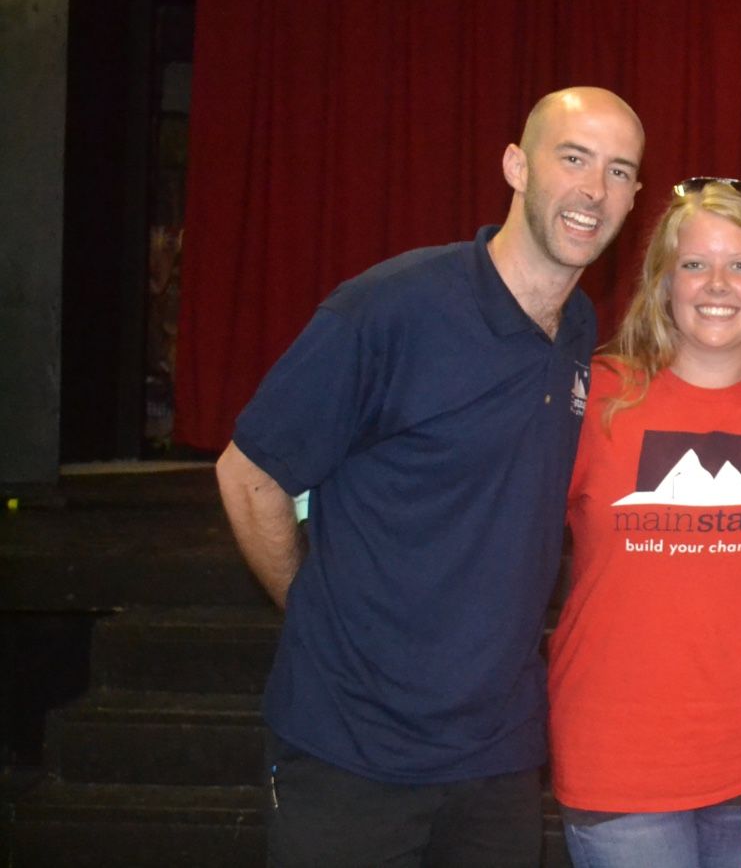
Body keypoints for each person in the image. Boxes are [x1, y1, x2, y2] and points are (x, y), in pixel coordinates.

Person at [214, 86, 646, 867]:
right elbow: (248, 474)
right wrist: (314, 609)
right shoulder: (390, 309)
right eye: (574, 158)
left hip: (496, 757)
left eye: (619, 171)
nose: (594, 190)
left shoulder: (578, 332)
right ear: (517, 166)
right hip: (350, 750)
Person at [547, 177, 741, 868]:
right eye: (694, 264)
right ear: (663, 282)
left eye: (740, 264)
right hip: (620, 765)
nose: (716, 285)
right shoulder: (597, 397)